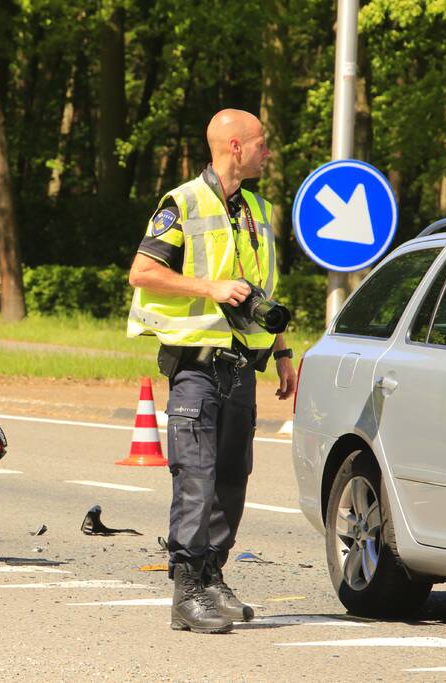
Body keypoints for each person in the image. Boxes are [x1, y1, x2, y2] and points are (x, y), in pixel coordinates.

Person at [126, 109, 297, 634]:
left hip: (242, 364)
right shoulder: (182, 203)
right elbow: (142, 271)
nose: (269, 153)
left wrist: (284, 350)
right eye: (262, 144)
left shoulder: (257, 210)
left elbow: (257, 286)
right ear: (235, 146)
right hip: (196, 367)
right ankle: (185, 593)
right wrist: (210, 288)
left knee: (231, 478)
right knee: (195, 478)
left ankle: (212, 576)